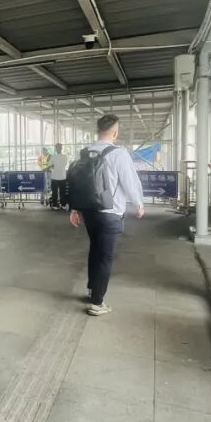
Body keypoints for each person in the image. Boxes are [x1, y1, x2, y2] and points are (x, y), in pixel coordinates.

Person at [69, 114, 145, 317]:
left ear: (98, 130)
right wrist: (138, 203)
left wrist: (75, 209)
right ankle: (97, 302)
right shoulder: (119, 153)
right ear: (115, 133)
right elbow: (129, 181)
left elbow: (79, 182)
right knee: (105, 257)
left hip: (89, 211)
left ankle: (92, 290)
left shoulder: (86, 152)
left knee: (95, 251)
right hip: (110, 213)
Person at [48, 142, 69, 210]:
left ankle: (55, 205)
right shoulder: (65, 157)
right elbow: (64, 164)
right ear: (61, 148)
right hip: (63, 177)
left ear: (56, 149)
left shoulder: (53, 157)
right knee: (62, 192)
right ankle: (63, 205)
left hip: (55, 177)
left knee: (54, 192)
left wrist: (53, 166)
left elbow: (49, 165)